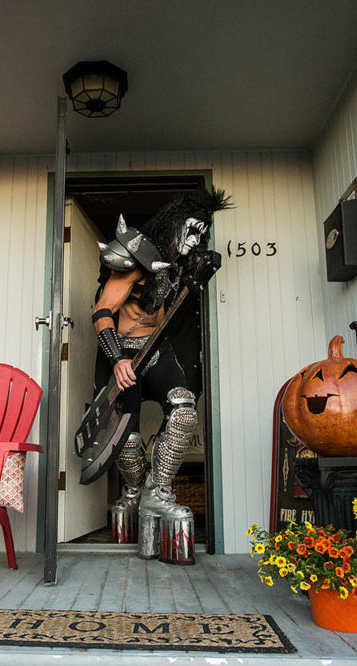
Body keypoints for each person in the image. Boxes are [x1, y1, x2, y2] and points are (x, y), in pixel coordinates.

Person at [89, 188, 232, 564]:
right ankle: (134, 492)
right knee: (128, 433)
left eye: (202, 232)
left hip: (157, 351)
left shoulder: (178, 265)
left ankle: (160, 489)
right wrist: (116, 359)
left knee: (184, 409)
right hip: (126, 353)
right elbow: (102, 311)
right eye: (192, 230)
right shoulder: (136, 260)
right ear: (174, 226)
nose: (196, 239)